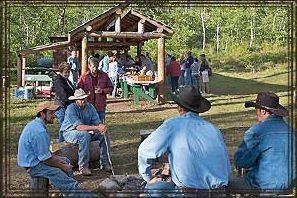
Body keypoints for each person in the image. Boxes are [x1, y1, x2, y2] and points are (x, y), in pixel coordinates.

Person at [138, 85, 231, 195]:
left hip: (189, 192)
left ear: (179, 107)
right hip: (219, 191)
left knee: (152, 188)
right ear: (199, 109)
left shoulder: (173, 125)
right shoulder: (213, 129)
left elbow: (145, 151)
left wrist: (148, 177)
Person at [17, 101, 92, 196]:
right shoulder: (39, 131)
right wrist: (62, 166)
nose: (54, 115)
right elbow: (46, 159)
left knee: (65, 160)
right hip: (34, 166)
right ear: (42, 114)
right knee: (65, 178)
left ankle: (68, 193)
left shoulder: (36, 125)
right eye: (51, 113)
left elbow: (45, 154)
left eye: (54, 112)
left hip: (37, 161)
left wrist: (61, 161)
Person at [229, 92, 295, 190]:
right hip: (291, 184)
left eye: (256, 110)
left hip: (265, 185)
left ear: (262, 111)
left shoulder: (257, 132)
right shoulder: (292, 131)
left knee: (227, 183)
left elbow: (241, 161)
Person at [60, 89, 112, 176]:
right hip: (69, 132)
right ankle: (83, 166)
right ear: (76, 100)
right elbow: (79, 127)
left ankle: (105, 162)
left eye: (84, 98)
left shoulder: (90, 107)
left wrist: (101, 126)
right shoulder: (71, 109)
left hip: (86, 130)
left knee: (104, 133)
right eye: (81, 99)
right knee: (84, 135)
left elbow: (97, 121)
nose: (83, 100)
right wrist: (96, 127)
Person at [77, 57, 113, 123]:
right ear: (89, 66)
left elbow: (111, 88)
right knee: (88, 126)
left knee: (100, 125)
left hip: (100, 105)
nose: (95, 69)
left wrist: (102, 91)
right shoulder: (84, 77)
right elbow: (78, 91)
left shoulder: (104, 75)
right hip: (87, 105)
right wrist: (85, 94)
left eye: (96, 67)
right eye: (93, 67)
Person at [53, 62, 75, 142]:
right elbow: (63, 95)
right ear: (61, 71)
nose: (68, 74)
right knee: (63, 127)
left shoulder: (67, 80)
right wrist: (73, 98)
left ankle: (65, 143)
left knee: (67, 127)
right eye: (66, 72)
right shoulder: (59, 81)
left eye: (69, 72)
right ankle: (61, 144)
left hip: (67, 106)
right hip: (61, 107)